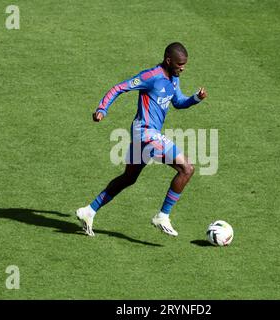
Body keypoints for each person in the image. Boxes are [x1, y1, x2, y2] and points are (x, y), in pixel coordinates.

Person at [76, 42, 207, 237]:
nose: (183, 68)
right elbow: (119, 87)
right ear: (168, 60)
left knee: (129, 178)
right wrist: (102, 109)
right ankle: (162, 216)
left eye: (185, 64)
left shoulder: (173, 78)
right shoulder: (151, 76)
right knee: (186, 168)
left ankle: (89, 211)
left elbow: (178, 102)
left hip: (145, 135)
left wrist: (195, 98)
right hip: (145, 133)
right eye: (180, 64)